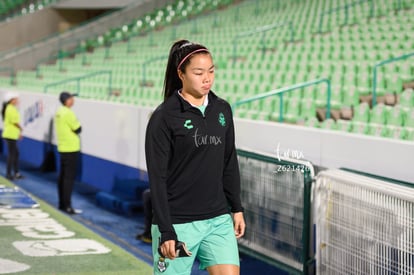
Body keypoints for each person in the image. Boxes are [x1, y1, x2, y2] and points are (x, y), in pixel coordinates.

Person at [145, 40, 245, 275]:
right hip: (178, 223)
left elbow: (229, 161)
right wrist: (166, 230)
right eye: (198, 73)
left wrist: (237, 207)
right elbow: (157, 178)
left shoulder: (222, 109)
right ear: (180, 73)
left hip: (217, 219)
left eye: (211, 71)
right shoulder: (164, 117)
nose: (207, 78)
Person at [54, 91, 82, 215]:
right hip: (71, 148)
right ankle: (67, 205)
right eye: (72, 98)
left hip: (62, 147)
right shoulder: (69, 113)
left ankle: (61, 203)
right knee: (69, 179)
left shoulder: (59, 111)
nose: (73, 100)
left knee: (62, 176)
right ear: (67, 100)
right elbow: (78, 128)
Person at [1, 92, 24, 180]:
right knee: (12, 154)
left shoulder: (11, 108)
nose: (17, 100)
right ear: (11, 100)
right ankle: (9, 173)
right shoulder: (10, 109)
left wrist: (18, 133)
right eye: (15, 99)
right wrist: (21, 129)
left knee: (15, 154)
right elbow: (15, 122)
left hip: (12, 134)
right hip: (9, 135)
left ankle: (16, 173)